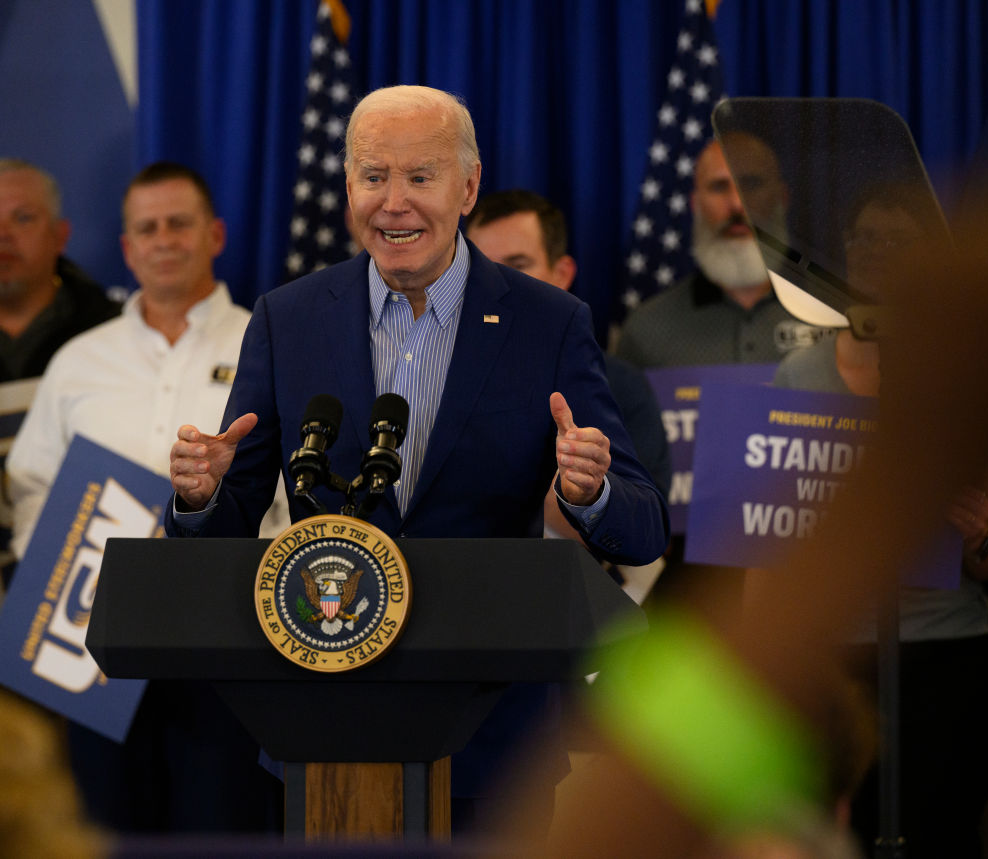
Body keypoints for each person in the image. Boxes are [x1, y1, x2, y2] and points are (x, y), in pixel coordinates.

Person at [165, 85, 669, 829]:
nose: (393, 203)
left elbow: (644, 527)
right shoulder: (288, 319)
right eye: (373, 177)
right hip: (324, 720)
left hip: (492, 732)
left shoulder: (549, 324)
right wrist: (202, 495)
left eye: (419, 178)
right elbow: (226, 520)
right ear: (347, 189)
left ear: (467, 187)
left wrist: (588, 489)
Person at [6, 161, 288, 833]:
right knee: (101, 829)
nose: (164, 239)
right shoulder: (80, 359)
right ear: (127, 247)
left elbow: (293, 495)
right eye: (147, 228)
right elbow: (32, 487)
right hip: (93, 651)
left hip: (229, 646)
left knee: (221, 830)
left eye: (179, 223)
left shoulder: (269, 342)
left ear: (215, 234)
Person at [772, 182, 988, 858]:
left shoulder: (961, 383)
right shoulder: (794, 375)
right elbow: (756, 540)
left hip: (945, 665)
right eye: (864, 238)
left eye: (897, 240)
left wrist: (976, 535)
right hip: (831, 664)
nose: (877, 253)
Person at [464, 188, 672, 539]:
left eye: (517, 266)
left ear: (562, 273)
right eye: (484, 269)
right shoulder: (439, 373)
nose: (498, 286)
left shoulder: (620, 385)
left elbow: (647, 530)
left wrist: (586, 495)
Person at [0, 159, 121, 584]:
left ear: (60, 235)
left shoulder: (112, 335)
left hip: (75, 584)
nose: (3, 235)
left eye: (22, 218)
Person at [616, 134, 822, 368]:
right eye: (719, 186)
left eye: (751, 184)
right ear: (695, 204)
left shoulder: (834, 316)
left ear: (782, 198)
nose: (736, 204)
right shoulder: (646, 330)